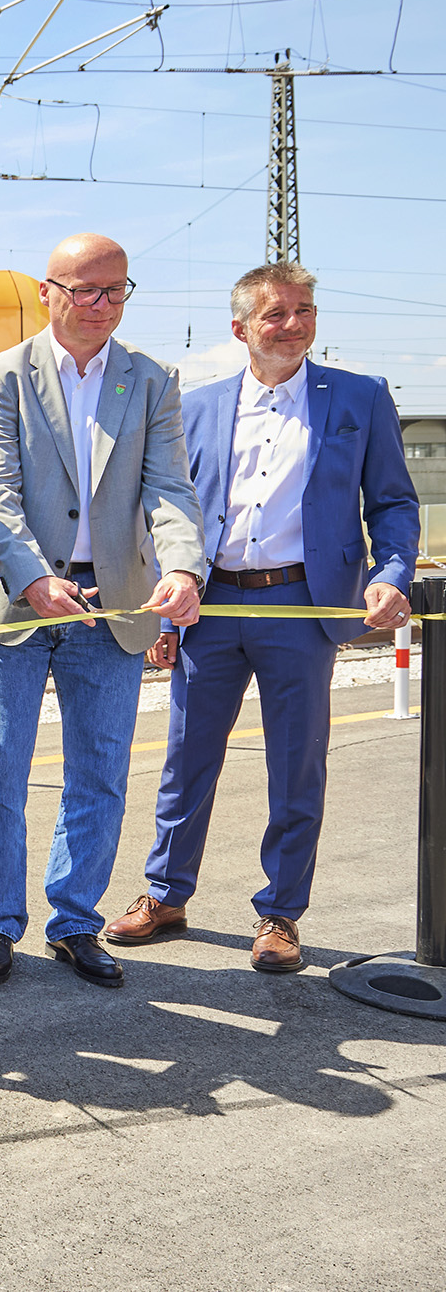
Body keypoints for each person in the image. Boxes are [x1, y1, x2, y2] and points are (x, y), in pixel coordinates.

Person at [107, 263, 419, 971]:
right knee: (186, 759)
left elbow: (395, 504)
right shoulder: (197, 405)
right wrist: (165, 611)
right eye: (277, 313)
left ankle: (280, 912)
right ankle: (165, 892)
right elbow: (169, 510)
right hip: (210, 604)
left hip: (302, 605)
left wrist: (392, 572)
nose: (295, 324)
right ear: (241, 327)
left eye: (305, 309)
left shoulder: (361, 399)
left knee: (296, 762)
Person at [0, 233, 206, 990]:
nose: (103, 306)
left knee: (99, 772)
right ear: (48, 291)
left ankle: (73, 921)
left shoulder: (153, 378)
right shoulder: (2, 376)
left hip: (114, 604)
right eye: (87, 290)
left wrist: (186, 564)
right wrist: (35, 579)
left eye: (118, 291)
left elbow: (168, 487)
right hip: (13, 603)